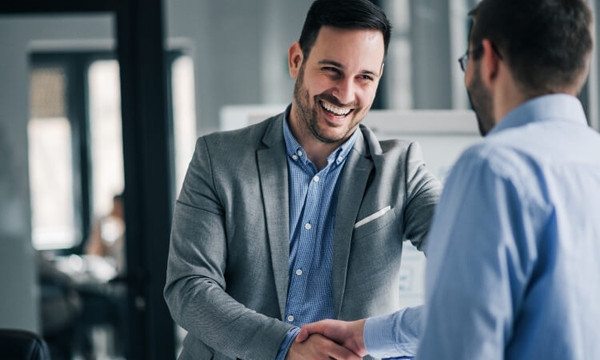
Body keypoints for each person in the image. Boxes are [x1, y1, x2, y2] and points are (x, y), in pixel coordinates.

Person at [297, 0, 600, 359]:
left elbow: (461, 341)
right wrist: (366, 335)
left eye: (465, 61)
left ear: (487, 59)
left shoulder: (494, 168)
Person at [163, 0, 442, 359]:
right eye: (332, 70)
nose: (345, 94)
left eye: (364, 78)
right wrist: (285, 347)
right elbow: (189, 288)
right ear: (297, 60)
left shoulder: (401, 170)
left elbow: (474, 262)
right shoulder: (218, 159)